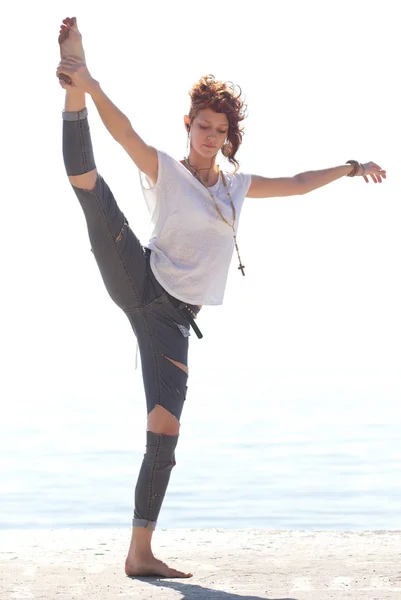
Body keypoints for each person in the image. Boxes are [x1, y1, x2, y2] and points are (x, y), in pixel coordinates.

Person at [56, 16, 386, 578]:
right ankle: (71, 88)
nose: (209, 135)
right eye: (201, 125)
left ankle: (140, 553)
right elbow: (126, 134)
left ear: (228, 137)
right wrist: (88, 86)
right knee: (90, 189)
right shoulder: (166, 170)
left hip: (175, 321)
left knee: (165, 431)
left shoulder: (236, 186)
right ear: (188, 126)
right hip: (141, 279)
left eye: (218, 130)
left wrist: (353, 168)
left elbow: (301, 182)